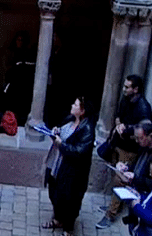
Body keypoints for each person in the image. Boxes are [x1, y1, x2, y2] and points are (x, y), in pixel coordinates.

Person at [96, 75, 152, 228]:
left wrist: (126, 129)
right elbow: (119, 116)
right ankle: (115, 205)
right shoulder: (125, 99)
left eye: (127, 87)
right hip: (118, 144)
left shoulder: (143, 108)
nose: (124, 89)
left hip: (129, 150)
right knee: (115, 174)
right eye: (124, 86)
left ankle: (111, 214)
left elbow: (144, 130)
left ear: (136, 89)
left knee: (121, 180)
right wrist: (119, 124)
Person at [97, 120, 152, 229]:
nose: (136, 141)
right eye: (136, 137)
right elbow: (138, 163)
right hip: (136, 189)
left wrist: (135, 178)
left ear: (151, 136)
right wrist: (127, 168)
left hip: (145, 198)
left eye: (139, 138)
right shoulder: (144, 145)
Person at [43, 97, 95, 236]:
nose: (72, 105)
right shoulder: (69, 119)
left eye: (76, 104)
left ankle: (68, 228)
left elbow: (79, 151)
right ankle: (58, 219)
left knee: (69, 198)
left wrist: (61, 144)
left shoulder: (87, 129)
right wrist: (56, 132)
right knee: (54, 191)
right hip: (58, 163)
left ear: (82, 111)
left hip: (73, 170)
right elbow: (62, 131)